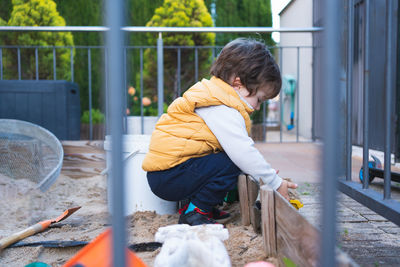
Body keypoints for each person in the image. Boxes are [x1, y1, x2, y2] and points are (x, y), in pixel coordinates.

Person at [142, 38, 297, 226]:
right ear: (238, 84)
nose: (257, 108)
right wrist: (275, 182)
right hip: (170, 175)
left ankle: (198, 205)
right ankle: (195, 211)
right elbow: (243, 152)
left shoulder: (214, 95)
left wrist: (263, 172)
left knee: (225, 160)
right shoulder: (221, 107)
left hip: (168, 173)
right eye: (259, 99)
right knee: (230, 161)